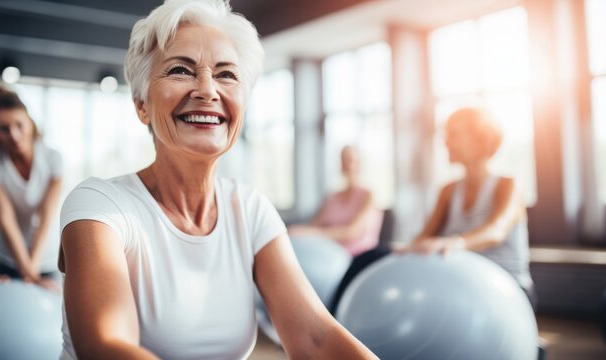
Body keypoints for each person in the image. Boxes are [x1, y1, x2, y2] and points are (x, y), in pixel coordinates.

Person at [58, 1, 376, 359]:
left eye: (226, 75)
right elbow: (107, 346)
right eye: (181, 70)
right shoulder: (99, 205)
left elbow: (315, 337)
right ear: (141, 104)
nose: (207, 90)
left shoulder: (250, 210)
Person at [396, 107, 536, 307]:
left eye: (453, 135)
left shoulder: (507, 186)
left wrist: (456, 243)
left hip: (508, 289)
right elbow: (425, 237)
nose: (445, 142)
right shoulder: (448, 191)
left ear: (479, 140)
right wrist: (409, 249)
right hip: (466, 285)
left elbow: (496, 231)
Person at [0, 87, 62, 290]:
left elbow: (46, 214)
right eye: (3, 129)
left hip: (47, 258)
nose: (14, 135)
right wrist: (27, 269)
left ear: (30, 123)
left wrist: (32, 266)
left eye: (19, 125)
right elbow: (6, 220)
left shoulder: (52, 158)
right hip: (10, 260)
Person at [288, 145, 383, 257]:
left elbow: (351, 232)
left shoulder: (368, 196)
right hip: (329, 251)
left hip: (357, 256)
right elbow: (315, 225)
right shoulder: (333, 197)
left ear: (360, 163)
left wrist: (311, 233)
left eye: (351, 160)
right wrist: (300, 232)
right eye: (343, 160)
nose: (347, 164)